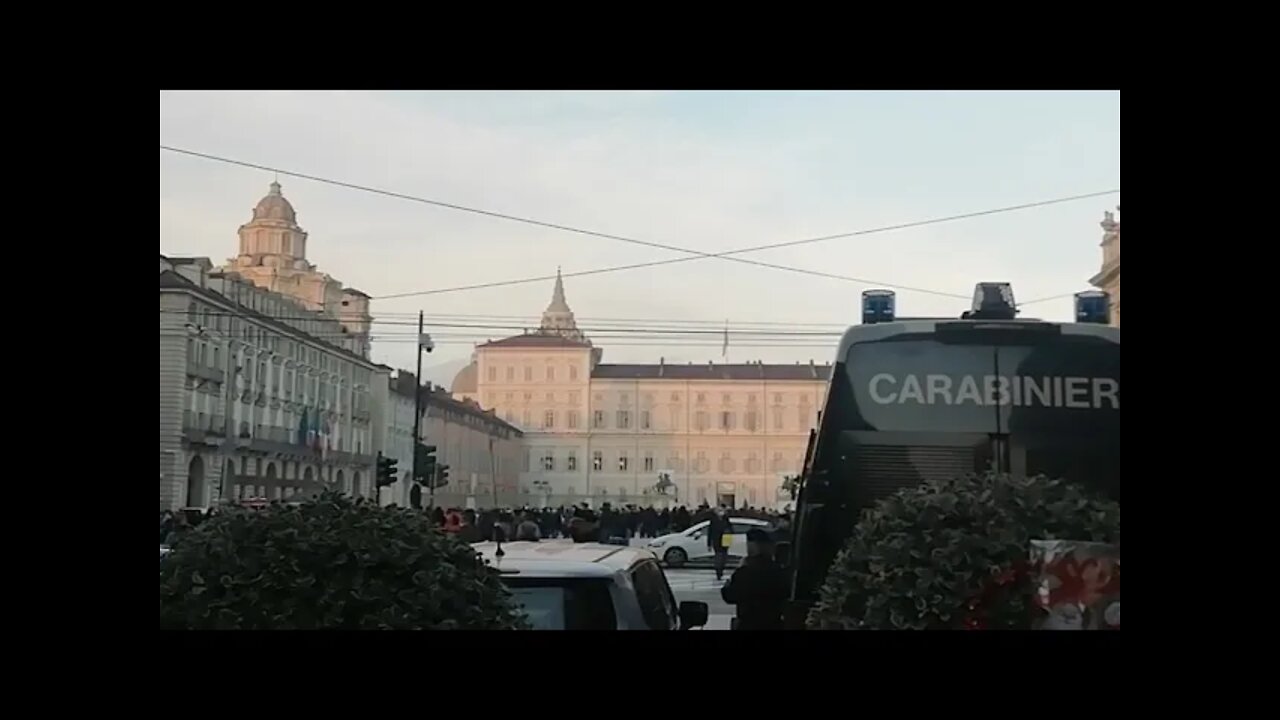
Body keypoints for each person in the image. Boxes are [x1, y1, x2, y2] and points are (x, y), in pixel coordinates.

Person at [720, 529, 787, 630]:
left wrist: (727, 584)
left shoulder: (744, 572)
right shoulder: (779, 571)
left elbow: (730, 595)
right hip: (773, 623)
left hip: (748, 623)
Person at [707, 506, 732, 581]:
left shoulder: (726, 519)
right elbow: (710, 532)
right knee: (718, 556)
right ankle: (718, 571)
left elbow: (730, 528)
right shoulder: (713, 520)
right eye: (719, 511)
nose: (721, 512)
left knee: (724, 556)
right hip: (717, 540)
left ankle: (721, 569)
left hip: (725, 539)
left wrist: (728, 533)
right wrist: (709, 544)